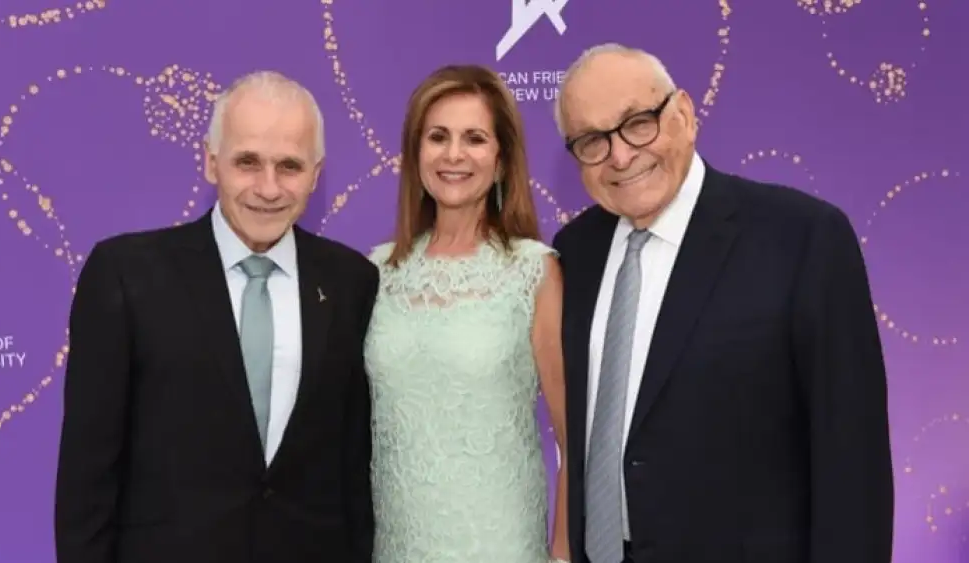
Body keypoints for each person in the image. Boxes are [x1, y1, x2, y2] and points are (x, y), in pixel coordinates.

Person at [552, 44, 894, 563]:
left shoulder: (802, 238)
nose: (620, 155)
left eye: (638, 123)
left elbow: (854, 460)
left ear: (684, 114)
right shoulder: (574, 252)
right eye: (592, 141)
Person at [54, 71, 378, 563]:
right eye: (247, 161)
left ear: (316, 174)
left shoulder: (351, 281)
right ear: (211, 162)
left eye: (289, 166)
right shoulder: (125, 275)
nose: (268, 188)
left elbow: (352, 469)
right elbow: (87, 476)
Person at [363, 64, 570, 563]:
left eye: (474, 138)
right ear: (416, 155)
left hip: (499, 545)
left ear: (501, 160)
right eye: (438, 137)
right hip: (394, 546)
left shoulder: (534, 271)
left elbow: (574, 438)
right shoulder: (376, 270)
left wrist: (562, 555)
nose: (454, 155)